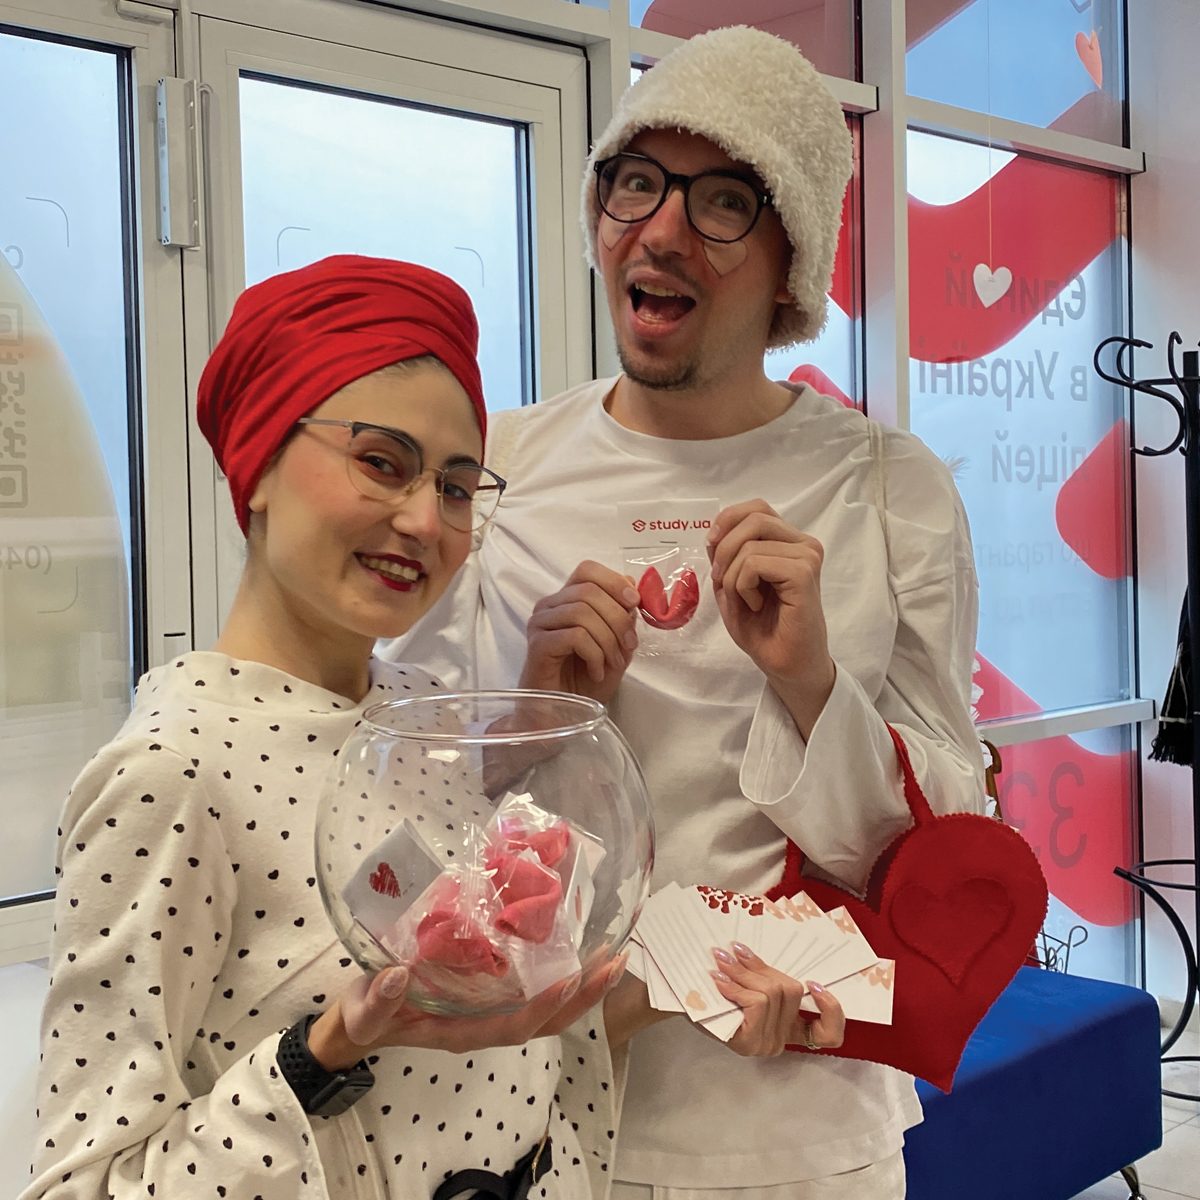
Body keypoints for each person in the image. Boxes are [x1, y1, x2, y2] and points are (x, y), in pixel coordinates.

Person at [391, 26, 986, 1200]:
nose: (660, 229)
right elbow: (399, 802)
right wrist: (536, 712)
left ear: (792, 262)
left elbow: (948, 828)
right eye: (636, 182)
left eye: (722, 202)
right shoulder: (501, 469)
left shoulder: (886, 488)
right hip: (537, 1115)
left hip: (803, 1130)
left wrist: (812, 686)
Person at [22, 256, 622, 1200]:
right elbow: (82, 1185)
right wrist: (318, 1055)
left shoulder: (417, 716)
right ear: (259, 462)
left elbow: (493, 1039)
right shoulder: (170, 773)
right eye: (381, 462)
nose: (424, 519)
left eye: (457, 486)